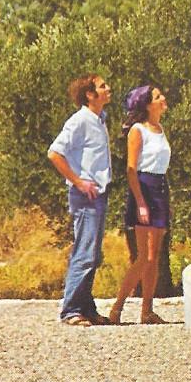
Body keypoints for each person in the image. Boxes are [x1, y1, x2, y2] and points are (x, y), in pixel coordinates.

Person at [47, 73, 113, 327]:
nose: (108, 89)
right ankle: (71, 310)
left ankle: (86, 308)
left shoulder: (100, 119)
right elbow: (55, 153)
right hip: (86, 196)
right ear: (89, 94)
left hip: (98, 193)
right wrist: (78, 181)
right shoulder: (80, 121)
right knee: (85, 252)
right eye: (102, 86)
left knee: (92, 253)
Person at [108, 84, 171, 325]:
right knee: (143, 256)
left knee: (154, 256)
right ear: (147, 104)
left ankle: (147, 310)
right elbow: (131, 170)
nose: (163, 98)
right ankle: (117, 308)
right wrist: (141, 203)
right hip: (143, 189)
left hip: (160, 188)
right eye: (157, 96)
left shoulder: (160, 129)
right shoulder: (137, 130)